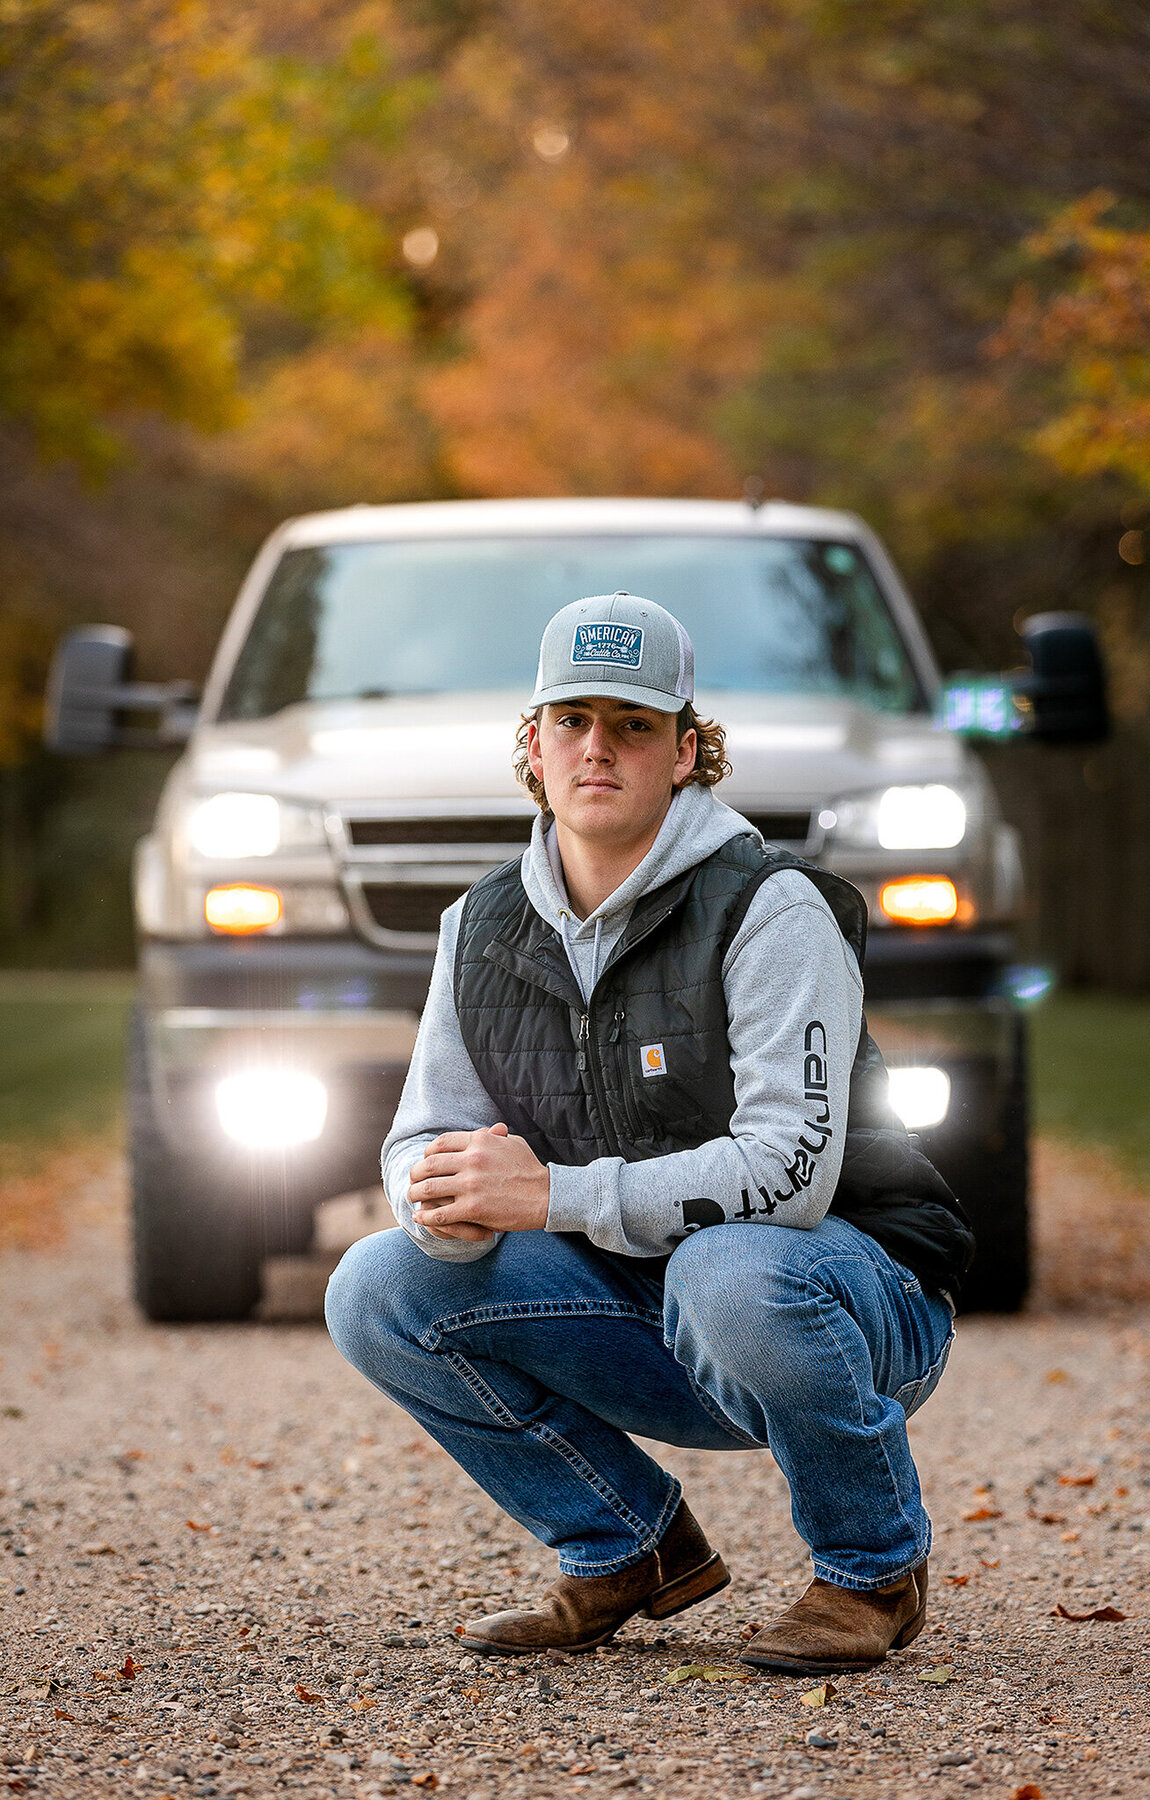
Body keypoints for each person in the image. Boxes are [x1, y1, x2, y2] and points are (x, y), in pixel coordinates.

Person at [325, 592, 974, 1675]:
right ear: (532, 746)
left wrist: (550, 1199)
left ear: (686, 752)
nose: (598, 749)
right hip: (648, 1307)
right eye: (572, 721)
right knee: (376, 1285)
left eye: (632, 725)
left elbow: (791, 1178)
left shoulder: (773, 908)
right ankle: (628, 1548)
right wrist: (440, 1207)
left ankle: (872, 1571)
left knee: (729, 1269)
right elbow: (420, 1134)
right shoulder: (477, 928)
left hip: (852, 1303)